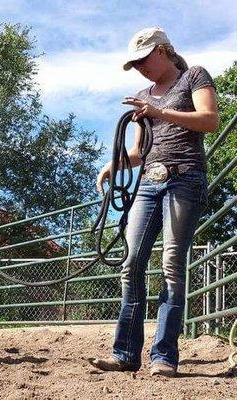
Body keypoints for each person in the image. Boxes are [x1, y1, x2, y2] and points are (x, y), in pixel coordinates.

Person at [90, 27, 219, 377]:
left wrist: (158, 112)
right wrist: (112, 165)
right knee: (130, 263)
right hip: (149, 181)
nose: (140, 67)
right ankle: (125, 353)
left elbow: (209, 120)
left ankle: (164, 356)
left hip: (185, 178)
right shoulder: (142, 95)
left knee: (171, 266)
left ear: (162, 51)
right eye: (135, 64)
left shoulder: (194, 77)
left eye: (144, 59)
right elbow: (137, 150)